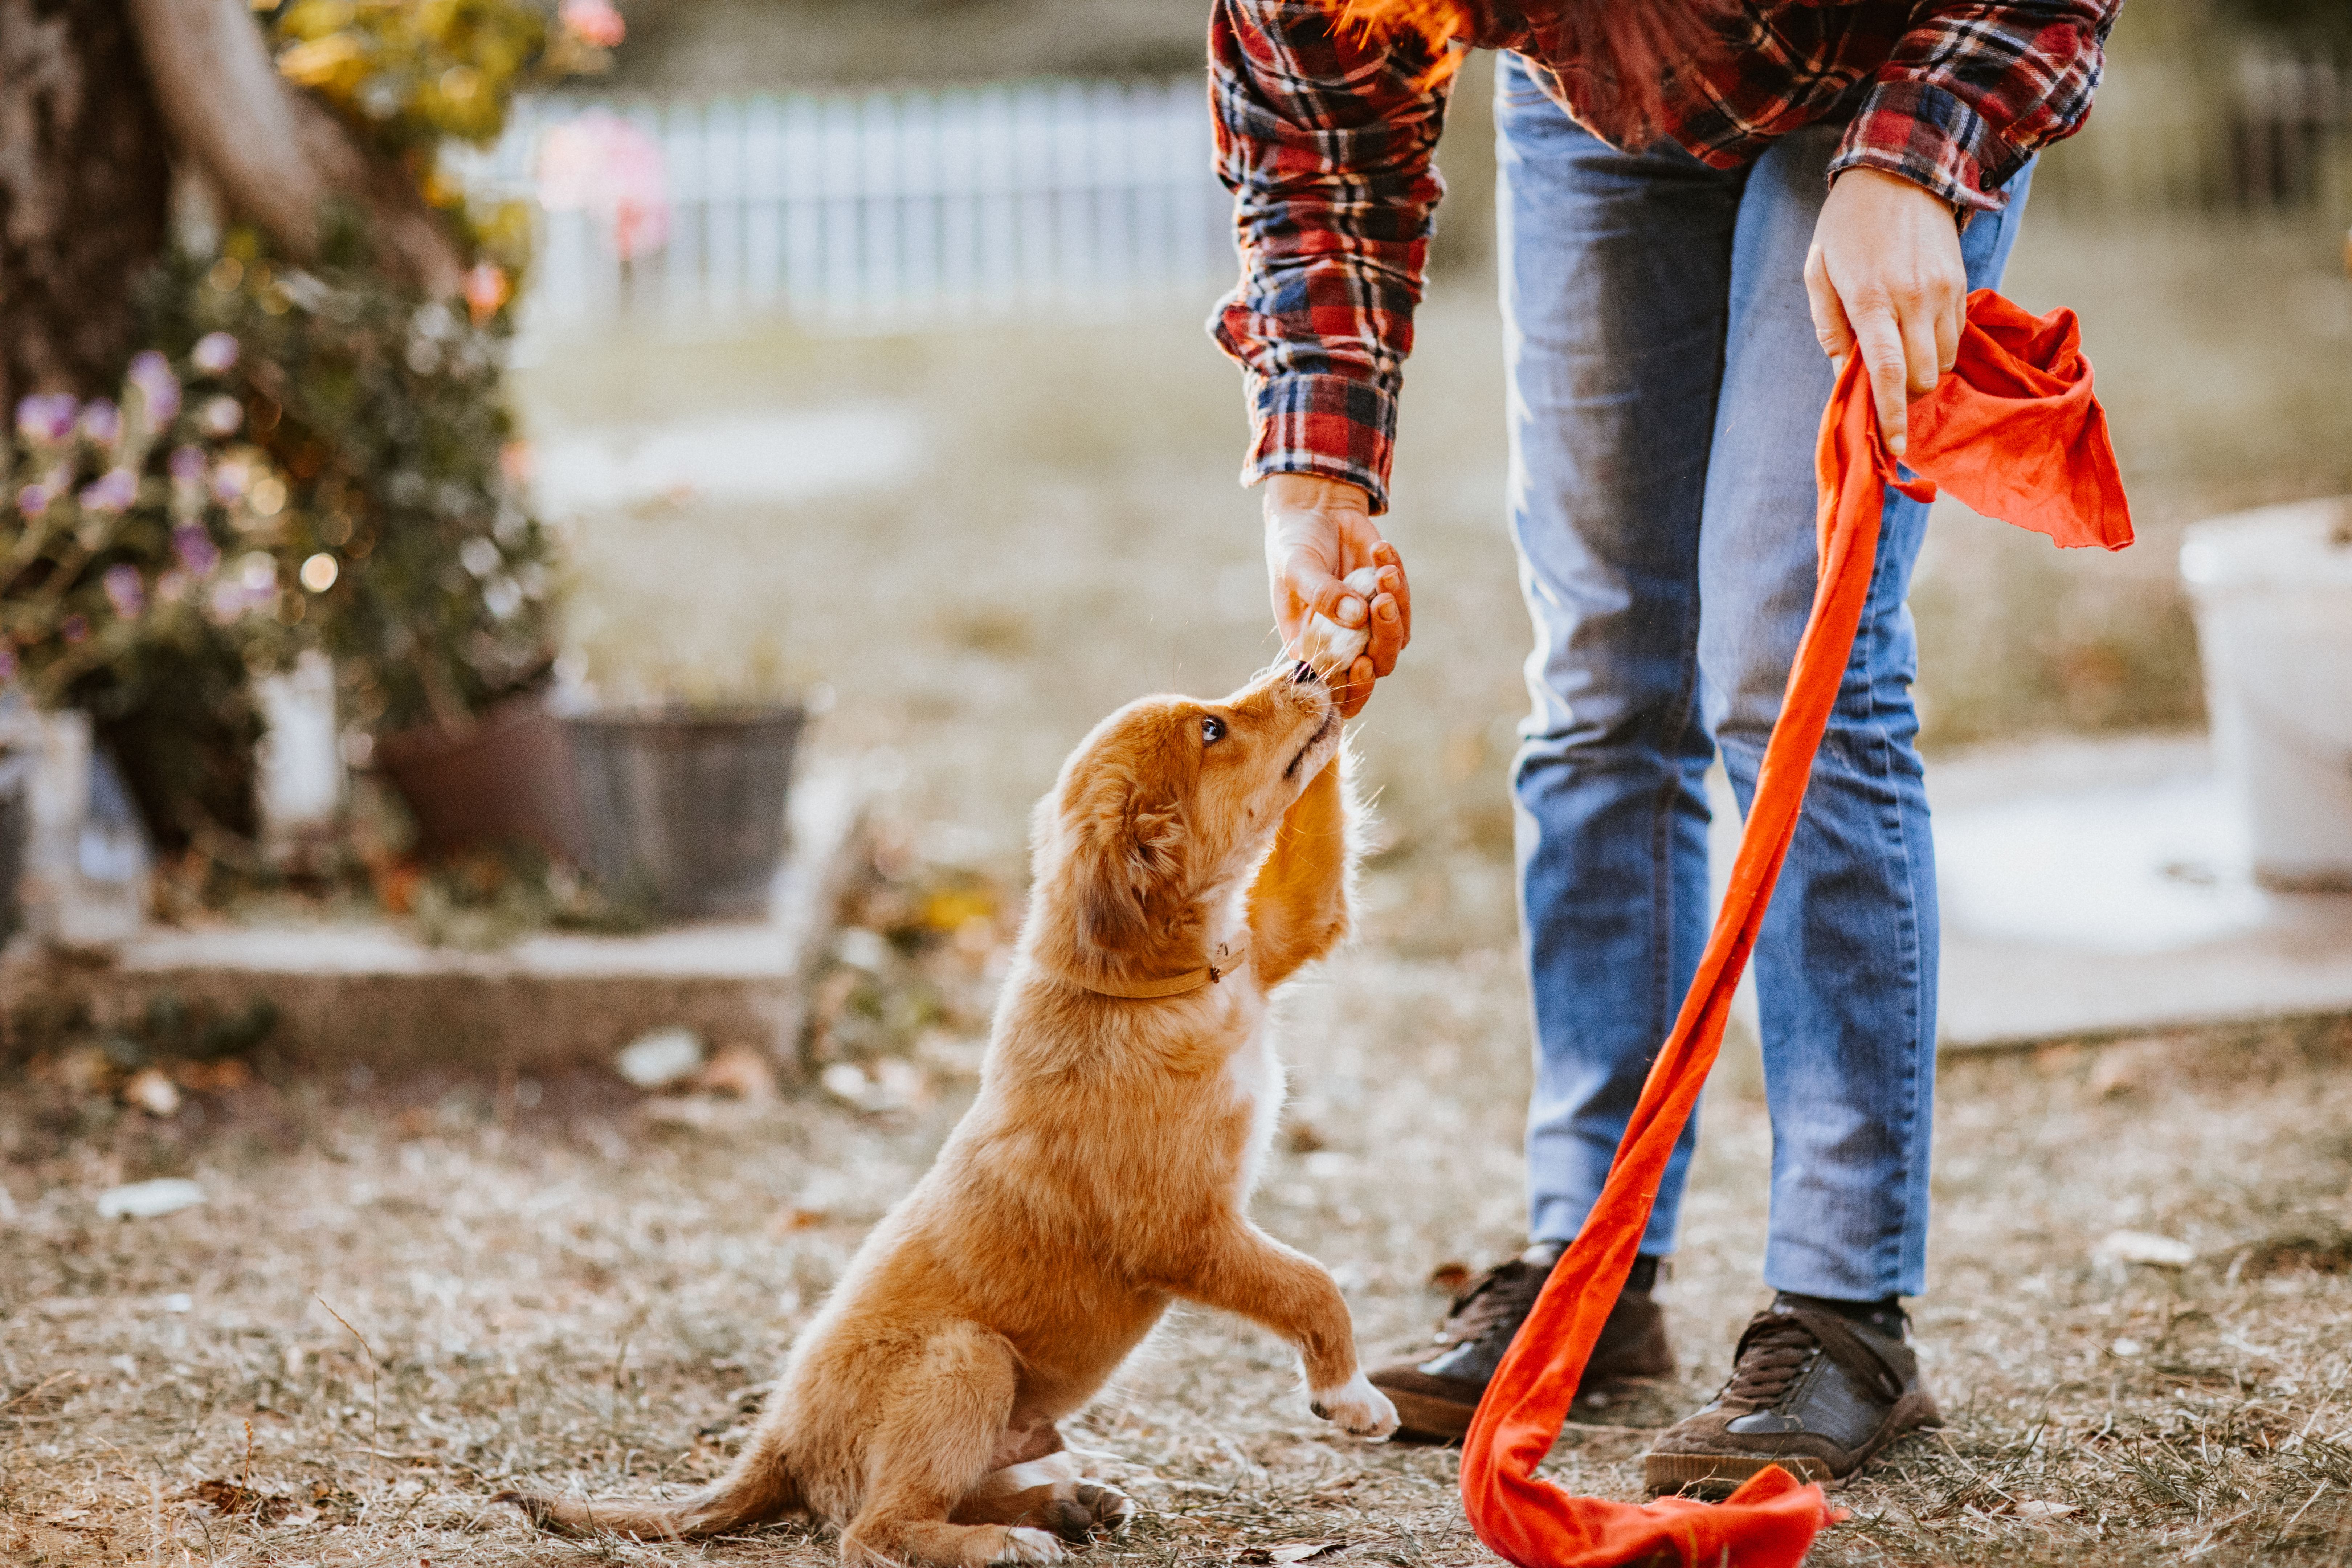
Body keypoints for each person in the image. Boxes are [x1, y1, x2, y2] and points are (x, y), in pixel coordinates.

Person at [1209, 0, 2115, 1493]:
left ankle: (1844, 1312)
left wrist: (1916, 157)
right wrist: (1316, 470)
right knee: (1600, 665)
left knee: (1781, 649)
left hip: (1870, 64)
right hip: (1598, 110)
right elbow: (1315, 140)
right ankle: (1593, 1262)